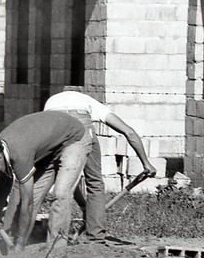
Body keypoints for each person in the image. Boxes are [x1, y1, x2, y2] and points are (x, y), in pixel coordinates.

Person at [0, 110, 91, 253]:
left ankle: (56, 250)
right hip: (51, 148)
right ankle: (23, 242)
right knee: (36, 196)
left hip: (74, 137)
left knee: (60, 194)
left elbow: (28, 203)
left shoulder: (19, 154)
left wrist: (20, 243)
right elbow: (4, 178)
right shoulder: (0, 146)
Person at [43, 90, 157, 239]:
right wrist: (146, 163)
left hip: (54, 125)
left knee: (64, 177)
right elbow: (129, 132)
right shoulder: (92, 103)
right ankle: (96, 234)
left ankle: (57, 236)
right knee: (95, 181)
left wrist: (85, 206)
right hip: (81, 123)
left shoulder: (52, 100)